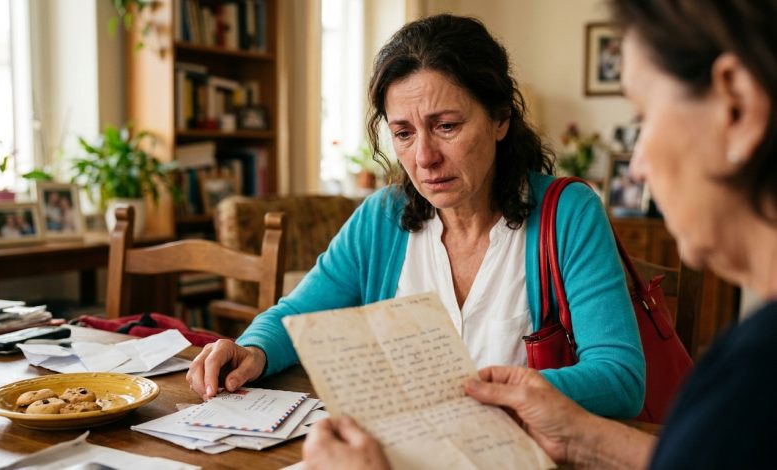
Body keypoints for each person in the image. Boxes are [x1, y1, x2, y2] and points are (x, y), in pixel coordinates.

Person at [303, 1, 777, 468]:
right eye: (403, 133)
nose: (636, 165)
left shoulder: (746, 385)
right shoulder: (742, 373)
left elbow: (623, 380)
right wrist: (590, 441)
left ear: (735, 105)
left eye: (643, 118)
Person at [187, 14, 646, 419]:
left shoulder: (567, 214)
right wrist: (251, 349)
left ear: (501, 118)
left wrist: (478, 394)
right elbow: (296, 315)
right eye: (403, 133)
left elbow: (620, 379)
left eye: (447, 126)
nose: (424, 157)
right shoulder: (382, 217)